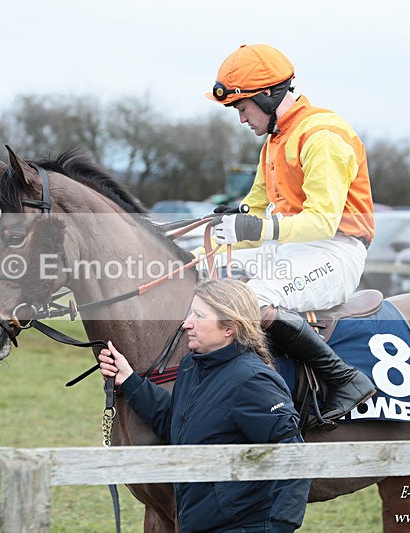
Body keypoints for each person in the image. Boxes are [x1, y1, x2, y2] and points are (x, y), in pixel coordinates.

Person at [200, 44, 375, 420]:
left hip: (336, 250)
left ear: (267, 94)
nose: (241, 119)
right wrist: (208, 244)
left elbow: (322, 222)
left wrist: (257, 227)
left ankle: (344, 378)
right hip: (291, 249)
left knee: (251, 299)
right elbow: (253, 214)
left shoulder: (323, 135)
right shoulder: (274, 144)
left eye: (242, 107)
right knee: (198, 270)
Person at [99, 279, 311, 533]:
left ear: (229, 328)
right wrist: (130, 381)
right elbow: (178, 425)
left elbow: (293, 454)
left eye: (199, 315)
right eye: (191, 313)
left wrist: (281, 526)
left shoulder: (253, 381)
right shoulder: (192, 366)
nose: (186, 323)